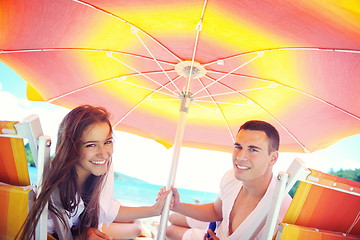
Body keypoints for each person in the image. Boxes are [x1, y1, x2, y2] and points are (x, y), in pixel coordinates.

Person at [17, 105, 170, 240]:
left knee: (132, 226)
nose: (104, 154)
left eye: (107, 142)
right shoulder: (56, 191)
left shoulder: (99, 173)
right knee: (133, 228)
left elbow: (109, 209)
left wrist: (155, 210)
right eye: (91, 145)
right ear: (71, 148)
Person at [166, 120, 292, 240]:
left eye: (253, 149)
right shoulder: (232, 177)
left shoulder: (281, 210)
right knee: (173, 217)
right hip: (219, 227)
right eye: (238, 147)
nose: (240, 157)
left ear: (273, 158)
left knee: (170, 231)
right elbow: (216, 211)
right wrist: (177, 205)